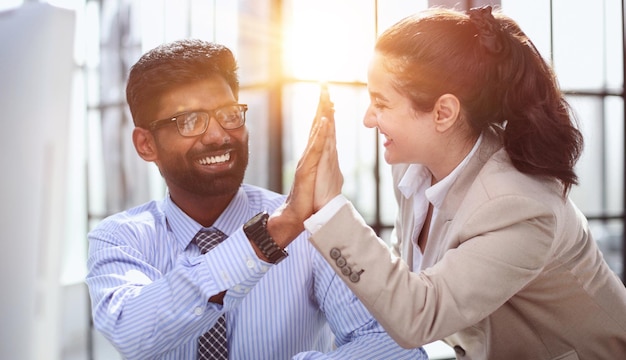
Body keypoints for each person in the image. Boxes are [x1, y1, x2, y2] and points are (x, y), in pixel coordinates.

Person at [278, 6, 626, 360]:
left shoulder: (518, 204)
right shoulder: (414, 169)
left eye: (381, 103)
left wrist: (332, 205)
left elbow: (419, 314)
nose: (368, 119)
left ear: (443, 113)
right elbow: (402, 276)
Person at [85, 39, 428, 360]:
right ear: (146, 145)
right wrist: (274, 233)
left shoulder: (310, 230)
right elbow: (132, 330)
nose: (219, 135)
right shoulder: (120, 239)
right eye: (190, 121)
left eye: (229, 114)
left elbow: (399, 347)